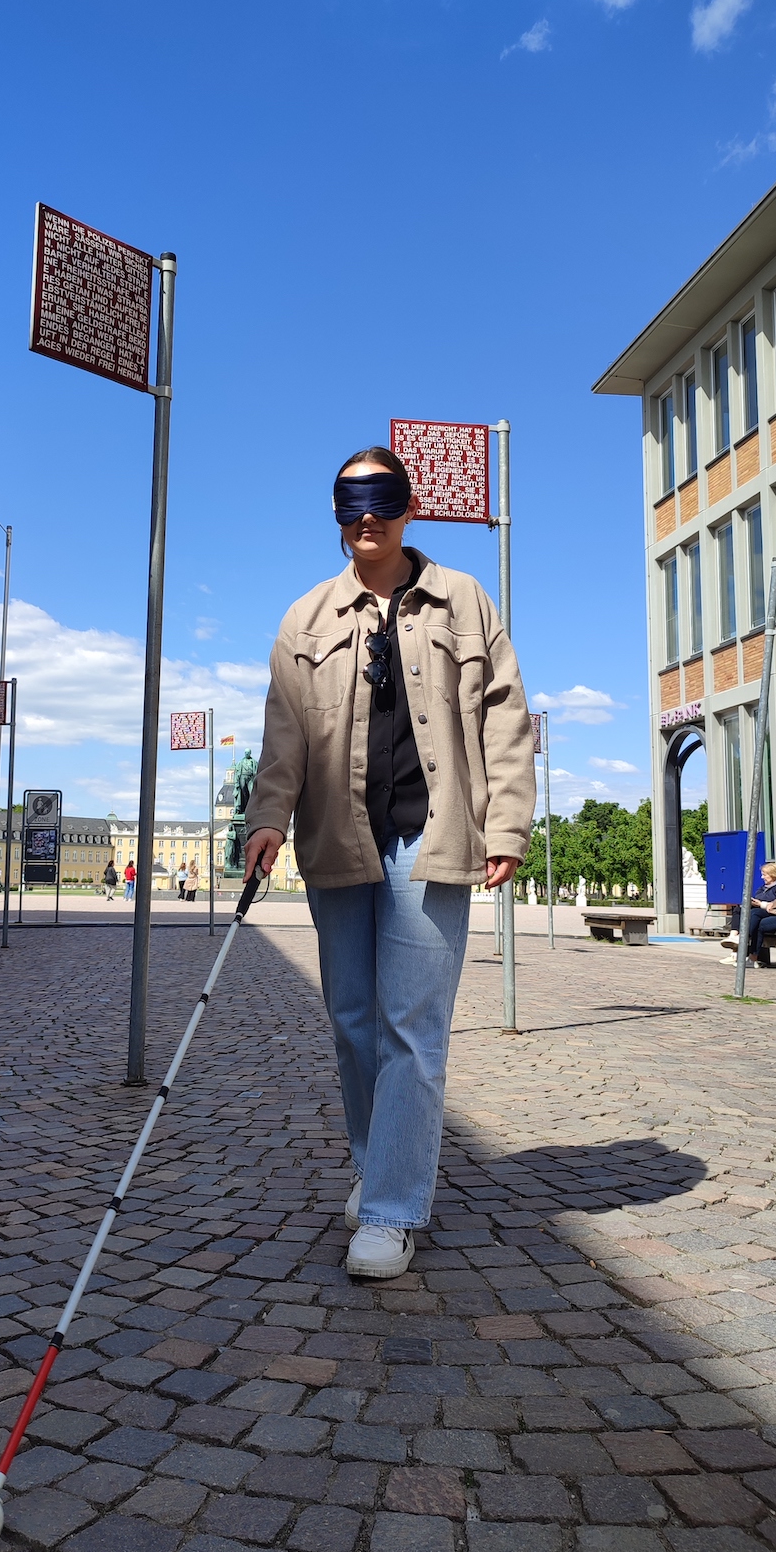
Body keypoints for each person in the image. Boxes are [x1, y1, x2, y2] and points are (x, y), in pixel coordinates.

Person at [244, 446, 534, 1280]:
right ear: (336, 514)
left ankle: (393, 1209)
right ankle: (380, 1166)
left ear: (410, 507)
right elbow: (284, 737)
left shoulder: (465, 601)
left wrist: (506, 825)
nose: (365, 517)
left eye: (381, 500)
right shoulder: (304, 622)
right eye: (349, 503)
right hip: (339, 837)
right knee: (351, 1020)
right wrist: (268, 818)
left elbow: (504, 717)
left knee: (413, 1027)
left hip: (432, 838)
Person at [721, 862, 776, 962]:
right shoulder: (763, 888)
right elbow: (758, 897)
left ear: (773, 875)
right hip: (760, 908)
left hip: (773, 912)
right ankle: (733, 936)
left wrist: (761, 903)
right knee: (738, 910)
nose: (762, 877)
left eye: (764, 874)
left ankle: (741, 939)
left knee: (754, 915)